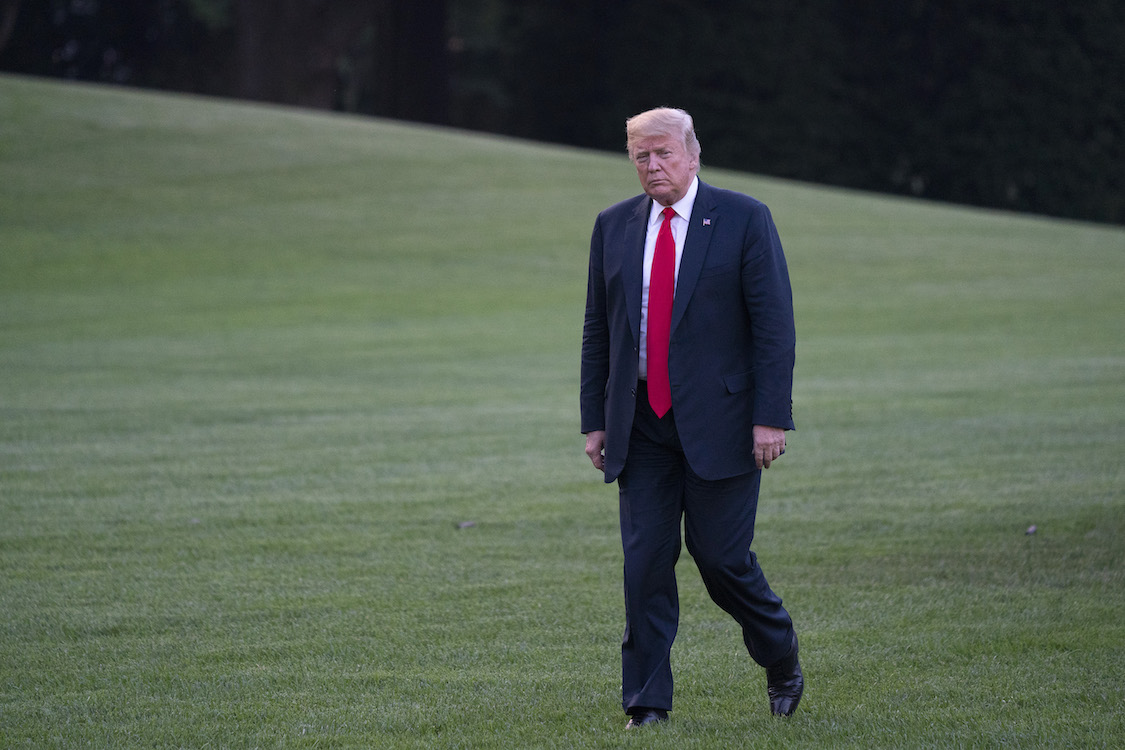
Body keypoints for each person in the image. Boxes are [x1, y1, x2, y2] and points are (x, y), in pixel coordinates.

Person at [580, 107, 803, 728]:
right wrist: (595, 419)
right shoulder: (613, 225)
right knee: (645, 564)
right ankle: (647, 703)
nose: (653, 166)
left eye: (664, 154)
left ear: (693, 155)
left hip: (723, 422)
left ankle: (779, 650)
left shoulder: (744, 218)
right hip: (641, 424)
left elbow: (774, 327)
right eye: (641, 156)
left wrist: (770, 417)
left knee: (721, 560)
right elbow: (599, 328)